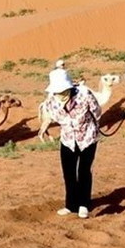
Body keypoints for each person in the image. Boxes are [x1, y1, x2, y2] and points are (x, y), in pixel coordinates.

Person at [42, 64, 101, 219]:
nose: (60, 94)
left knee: (83, 171)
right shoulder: (51, 102)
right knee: (68, 173)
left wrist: (92, 126)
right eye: (57, 91)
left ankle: (84, 204)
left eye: (63, 90)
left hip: (87, 138)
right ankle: (71, 205)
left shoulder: (85, 94)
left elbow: (97, 111)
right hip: (67, 139)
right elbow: (54, 118)